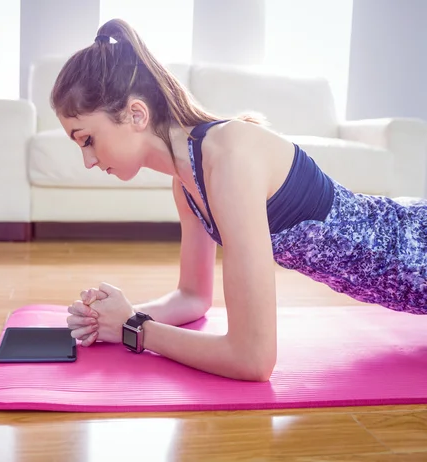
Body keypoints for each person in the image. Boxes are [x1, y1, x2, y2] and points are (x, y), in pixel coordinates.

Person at [50, 18, 427, 382]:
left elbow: (253, 358)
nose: (88, 161)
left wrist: (135, 329)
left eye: (87, 139)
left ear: (136, 114)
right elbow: (192, 297)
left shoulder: (229, 158)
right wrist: (116, 317)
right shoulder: (186, 182)